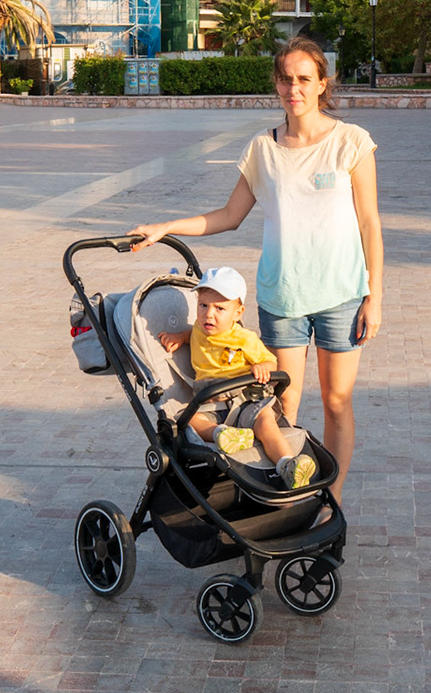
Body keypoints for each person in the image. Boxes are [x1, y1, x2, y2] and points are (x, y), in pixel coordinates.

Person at [129, 36, 382, 509]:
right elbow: (228, 216)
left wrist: (375, 297)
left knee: (336, 402)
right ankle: (287, 498)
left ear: (322, 83)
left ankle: (332, 501)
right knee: (282, 406)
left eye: (304, 79)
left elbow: (369, 222)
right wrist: (165, 227)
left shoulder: (351, 142)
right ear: (276, 83)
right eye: (285, 79)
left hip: (342, 295)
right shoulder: (263, 149)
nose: (293, 88)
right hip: (283, 298)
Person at [157, 266, 317, 490]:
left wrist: (262, 366)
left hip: (246, 401)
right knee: (185, 420)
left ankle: (287, 464)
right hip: (212, 404)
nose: (208, 314)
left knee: (266, 424)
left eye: (220, 308)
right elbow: (191, 333)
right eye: (203, 305)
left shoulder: (244, 338)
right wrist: (179, 337)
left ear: (238, 313)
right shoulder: (198, 329)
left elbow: (270, 362)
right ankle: (222, 434)